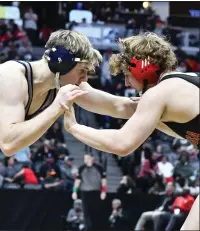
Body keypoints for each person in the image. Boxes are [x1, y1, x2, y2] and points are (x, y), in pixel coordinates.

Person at [0, 29, 140, 231]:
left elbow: (118, 106)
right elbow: (9, 144)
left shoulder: (60, 84)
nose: (84, 80)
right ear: (60, 64)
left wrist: (159, 101)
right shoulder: (13, 76)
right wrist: (57, 107)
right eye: (82, 71)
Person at [63, 32, 200, 230]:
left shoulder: (159, 94)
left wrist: (74, 128)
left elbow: (122, 144)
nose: (126, 83)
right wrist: (72, 78)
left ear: (145, 69)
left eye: (128, 75)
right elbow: (118, 106)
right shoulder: (181, 85)